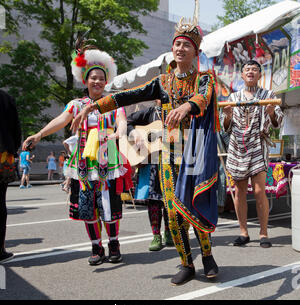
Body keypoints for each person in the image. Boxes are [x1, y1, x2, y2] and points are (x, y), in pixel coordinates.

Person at [72, 16, 220, 285]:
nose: (180, 48)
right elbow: (126, 95)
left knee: (195, 207)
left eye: (187, 45)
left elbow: (204, 98)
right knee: (174, 213)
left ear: (195, 52)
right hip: (168, 152)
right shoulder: (161, 82)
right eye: (177, 44)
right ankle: (186, 262)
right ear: (172, 49)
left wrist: (186, 107)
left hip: (195, 151)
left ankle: (208, 256)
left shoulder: (205, 79)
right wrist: (94, 106)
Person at [23, 41, 132, 265]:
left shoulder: (113, 103)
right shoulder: (76, 104)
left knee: (108, 204)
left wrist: (117, 135)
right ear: (86, 80)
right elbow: (60, 120)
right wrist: (39, 135)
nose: (98, 81)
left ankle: (113, 243)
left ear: (106, 81)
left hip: (108, 159)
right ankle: (95, 247)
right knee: (87, 205)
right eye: (94, 78)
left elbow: (122, 122)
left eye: (101, 78)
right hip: (82, 162)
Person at [221, 60, 284, 248]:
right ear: (242, 75)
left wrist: (272, 112)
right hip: (237, 146)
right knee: (239, 191)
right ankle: (243, 232)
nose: (250, 72)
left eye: (254, 69)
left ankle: (264, 233)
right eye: (247, 69)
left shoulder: (268, 95)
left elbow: (276, 123)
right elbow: (225, 128)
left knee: (259, 190)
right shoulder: (232, 97)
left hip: (258, 143)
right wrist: (228, 116)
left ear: (259, 75)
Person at [127, 100, 173, 251]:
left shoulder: (178, 111)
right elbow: (126, 122)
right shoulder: (150, 112)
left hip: (172, 160)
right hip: (151, 162)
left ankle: (169, 233)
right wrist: (135, 138)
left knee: (170, 200)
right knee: (154, 200)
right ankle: (156, 236)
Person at [0, 89, 21, 263]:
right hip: (3, 153)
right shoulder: (6, 97)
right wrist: (13, 149)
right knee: (0, 201)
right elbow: (16, 129)